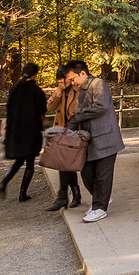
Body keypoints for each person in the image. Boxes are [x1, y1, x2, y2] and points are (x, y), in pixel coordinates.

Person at [65, 60, 125, 223]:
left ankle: (100, 208)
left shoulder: (98, 84)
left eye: (73, 78)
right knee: (87, 172)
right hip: (91, 139)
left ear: (82, 73)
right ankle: (101, 198)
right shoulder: (82, 89)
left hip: (106, 138)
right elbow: (77, 115)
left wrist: (80, 114)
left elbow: (101, 106)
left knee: (103, 175)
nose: (72, 82)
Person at [0, 63, 47, 202]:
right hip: (31, 130)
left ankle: (4, 182)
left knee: (19, 159)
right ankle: (22, 193)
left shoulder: (14, 88)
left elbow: (9, 107)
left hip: (16, 130)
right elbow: (42, 110)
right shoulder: (37, 91)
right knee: (30, 163)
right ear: (35, 74)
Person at [45, 66, 81, 210]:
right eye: (60, 82)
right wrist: (59, 91)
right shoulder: (60, 91)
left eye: (65, 81)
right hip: (61, 132)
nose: (64, 84)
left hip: (73, 132)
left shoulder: (78, 90)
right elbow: (49, 107)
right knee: (64, 165)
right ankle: (71, 194)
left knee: (65, 165)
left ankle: (64, 197)